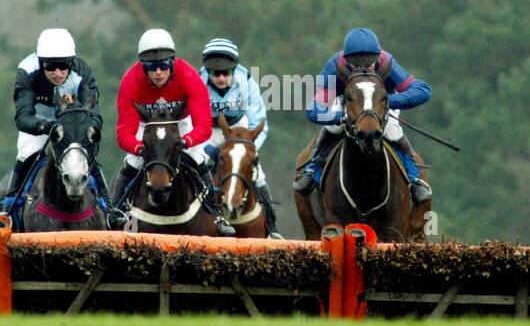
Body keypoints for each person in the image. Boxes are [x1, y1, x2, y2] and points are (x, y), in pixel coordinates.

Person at [108, 28, 235, 235]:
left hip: (180, 124)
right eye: (152, 67)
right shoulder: (131, 80)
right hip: (146, 126)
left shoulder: (189, 76)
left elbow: (203, 125)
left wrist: (186, 141)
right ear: (144, 66)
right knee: (132, 162)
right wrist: (139, 148)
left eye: (164, 66)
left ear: (172, 62)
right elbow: (124, 133)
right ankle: (115, 210)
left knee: (198, 158)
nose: (158, 72)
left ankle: (217, 214)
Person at [295, 27, 433, 204]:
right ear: (345, 60)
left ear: (377, 57)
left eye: (368, 63)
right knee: (332, 127)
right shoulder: (333, 68)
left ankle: (414, 178)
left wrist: (385, 102)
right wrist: (340, 118)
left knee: (393, 131)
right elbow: (314, 111)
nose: (362, 67)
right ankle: (313, 169)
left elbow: (423, 90)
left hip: (380, 105)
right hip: (349, 105)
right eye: (355, 63)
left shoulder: (386, 61)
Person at [3, 28, 106, 211]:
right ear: (41, 62)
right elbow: (22, 117)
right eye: (50, 67)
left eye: (63, 66)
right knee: (27, 151)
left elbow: (95, 114)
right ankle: (9, 207)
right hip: (39, 123)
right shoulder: (27, 70)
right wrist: (46, 126)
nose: (57, 73)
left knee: (85, 153)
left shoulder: (82, 71)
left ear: (71, 62)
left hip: (72, 125)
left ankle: (108, 206)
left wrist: (86, 130)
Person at [199, 37, 282, 238]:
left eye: (225, 72)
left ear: (233, 69)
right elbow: (192, 122)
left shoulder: (246, 81)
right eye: (214, 72)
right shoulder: (198, 81)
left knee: (258, 174)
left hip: (239, 128)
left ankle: (272, 228)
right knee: (197, 163)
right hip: (208, 130)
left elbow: (260, 122)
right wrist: (207, 149)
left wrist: (250, 149)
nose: (220, 78)